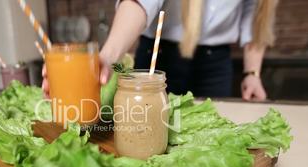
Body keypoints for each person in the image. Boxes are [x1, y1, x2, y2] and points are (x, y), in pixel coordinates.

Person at [43, 0, 278, 101]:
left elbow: (255, 12)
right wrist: (106, 56)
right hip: (161, 57)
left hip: (216, 63)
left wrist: (252, 74)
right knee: (151, 137)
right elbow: (141, 1)